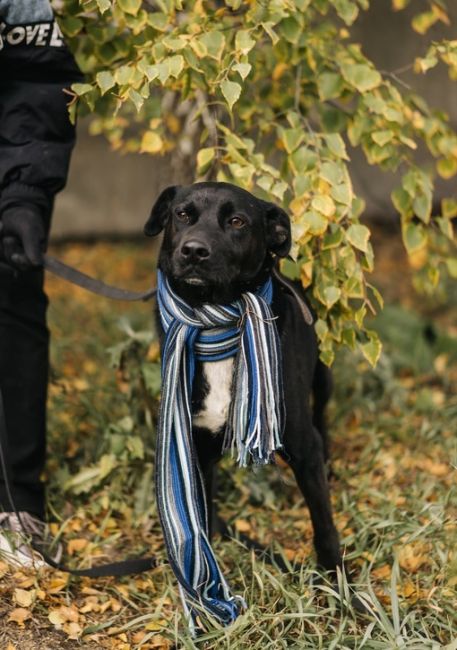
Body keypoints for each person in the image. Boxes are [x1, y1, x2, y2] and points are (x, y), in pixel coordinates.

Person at [0, 0, 82, 565]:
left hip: (10, 161)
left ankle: (16, 503)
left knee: (12, 301)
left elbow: (36, 73)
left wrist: (24, 197)